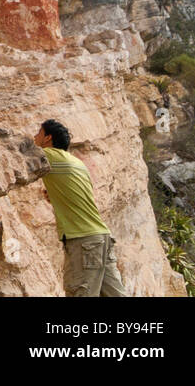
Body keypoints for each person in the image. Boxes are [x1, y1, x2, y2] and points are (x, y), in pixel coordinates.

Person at [34, 119, 125, 297]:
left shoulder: (48, 154)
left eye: (39, 132)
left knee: (80, 292)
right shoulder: (77, 164)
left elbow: (24, 151)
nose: (35, 136)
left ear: (48, 138)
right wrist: (54, 196)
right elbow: (80, 195)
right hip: (102, 237)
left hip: (83, 241)